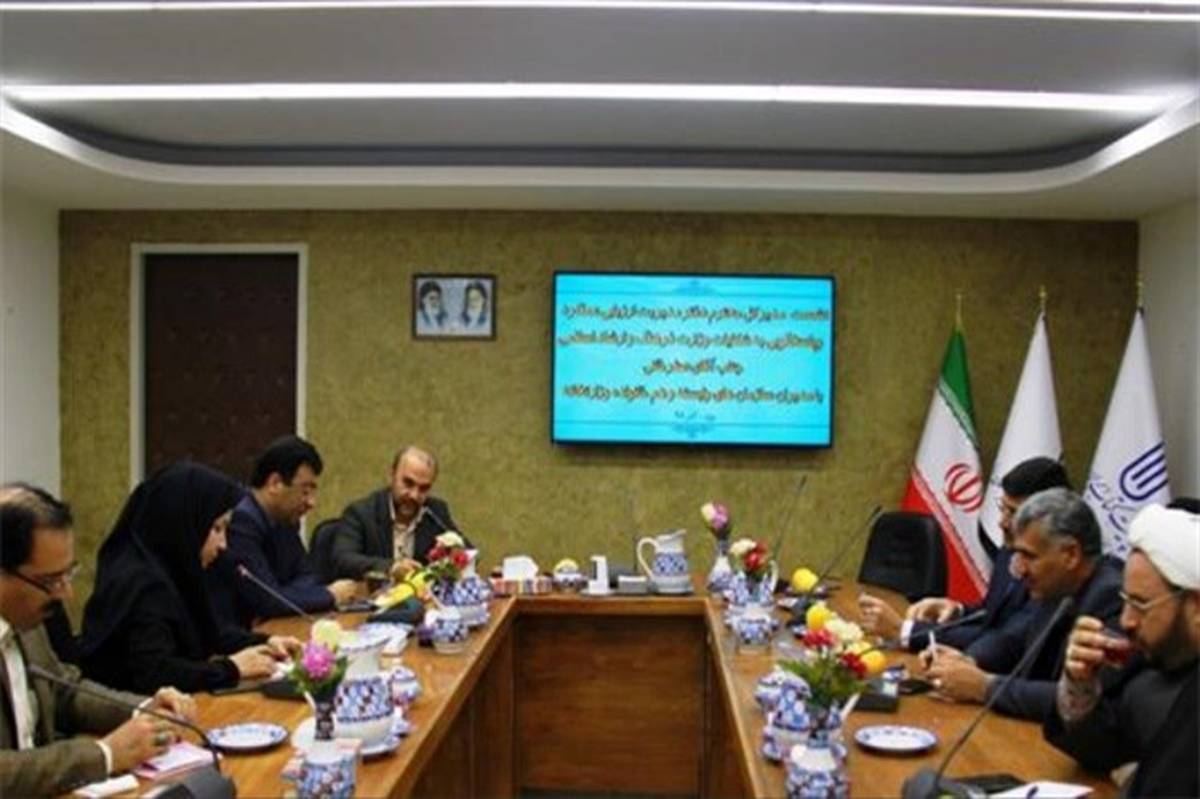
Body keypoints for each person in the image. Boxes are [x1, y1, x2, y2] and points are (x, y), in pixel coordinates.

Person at [1, 483, 197, 796]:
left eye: (68, 574)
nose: (66, 594)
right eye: (51, 581)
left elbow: (64, 691)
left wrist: (144, 709)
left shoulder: (24, 621)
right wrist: (104, 754)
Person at [79, 464, 298, 694]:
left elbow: (211, 632)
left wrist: (265, 642)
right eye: (216, 528)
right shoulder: (142, 583)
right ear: (184, 522)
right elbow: (154, 673)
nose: (223, 544)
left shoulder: (175, 568)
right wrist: (231, 669)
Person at [921, 488, 1123, 721]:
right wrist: (966, 661)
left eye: (1029, 556)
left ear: (1071, 554)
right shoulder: (1058, 586)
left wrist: (984, 686)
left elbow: (1083, 702)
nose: (1020, 570)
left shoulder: (1111, 598)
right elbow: (1012, 640)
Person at [1045, 503, 1198, 797]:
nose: (1126, 621)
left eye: (1140, 604)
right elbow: (1105, 748)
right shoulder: (1154, 674)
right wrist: (1079, 685)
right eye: (1125, 600)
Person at [859, 457, 1071, 656]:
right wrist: (958, 610)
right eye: (1003, 509)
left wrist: (904, 630)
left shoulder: (1056, 576)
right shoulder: (1010, 551)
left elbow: (1005, 641)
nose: (1002, 523)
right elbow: (992, 614)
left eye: (1015, 513)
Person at [217, 436, 357, 623]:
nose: (311, 502)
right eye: (305, 491)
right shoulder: (240, 522)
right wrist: (330, 595)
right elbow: (267, 600)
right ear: (275, 483)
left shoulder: (284, 520)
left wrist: (284, 594)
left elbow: (308, 575)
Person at [329, 445, 468, 581]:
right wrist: (391, 567)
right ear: (392, 476)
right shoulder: (361, 513)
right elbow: (342, 559)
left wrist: (456, 557)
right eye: (408, 483)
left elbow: (466, 551)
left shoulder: (435, 511)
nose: (414, 495)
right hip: (375, 594)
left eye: (423, 488)